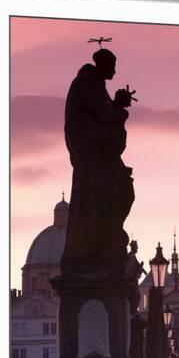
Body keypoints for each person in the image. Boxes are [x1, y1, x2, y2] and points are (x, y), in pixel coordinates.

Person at [62, 48, 136, 277]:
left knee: (122, 195)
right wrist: (118, 107)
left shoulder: (95, 86)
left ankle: (107, 242)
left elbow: (104, 117)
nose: (115, 70)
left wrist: (116, 108)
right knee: (112, 198)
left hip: (101, 159)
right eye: (112, 65)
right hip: (93, 162)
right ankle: (98, 248)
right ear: (102, 64)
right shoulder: (87, 84)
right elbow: (99, 118)